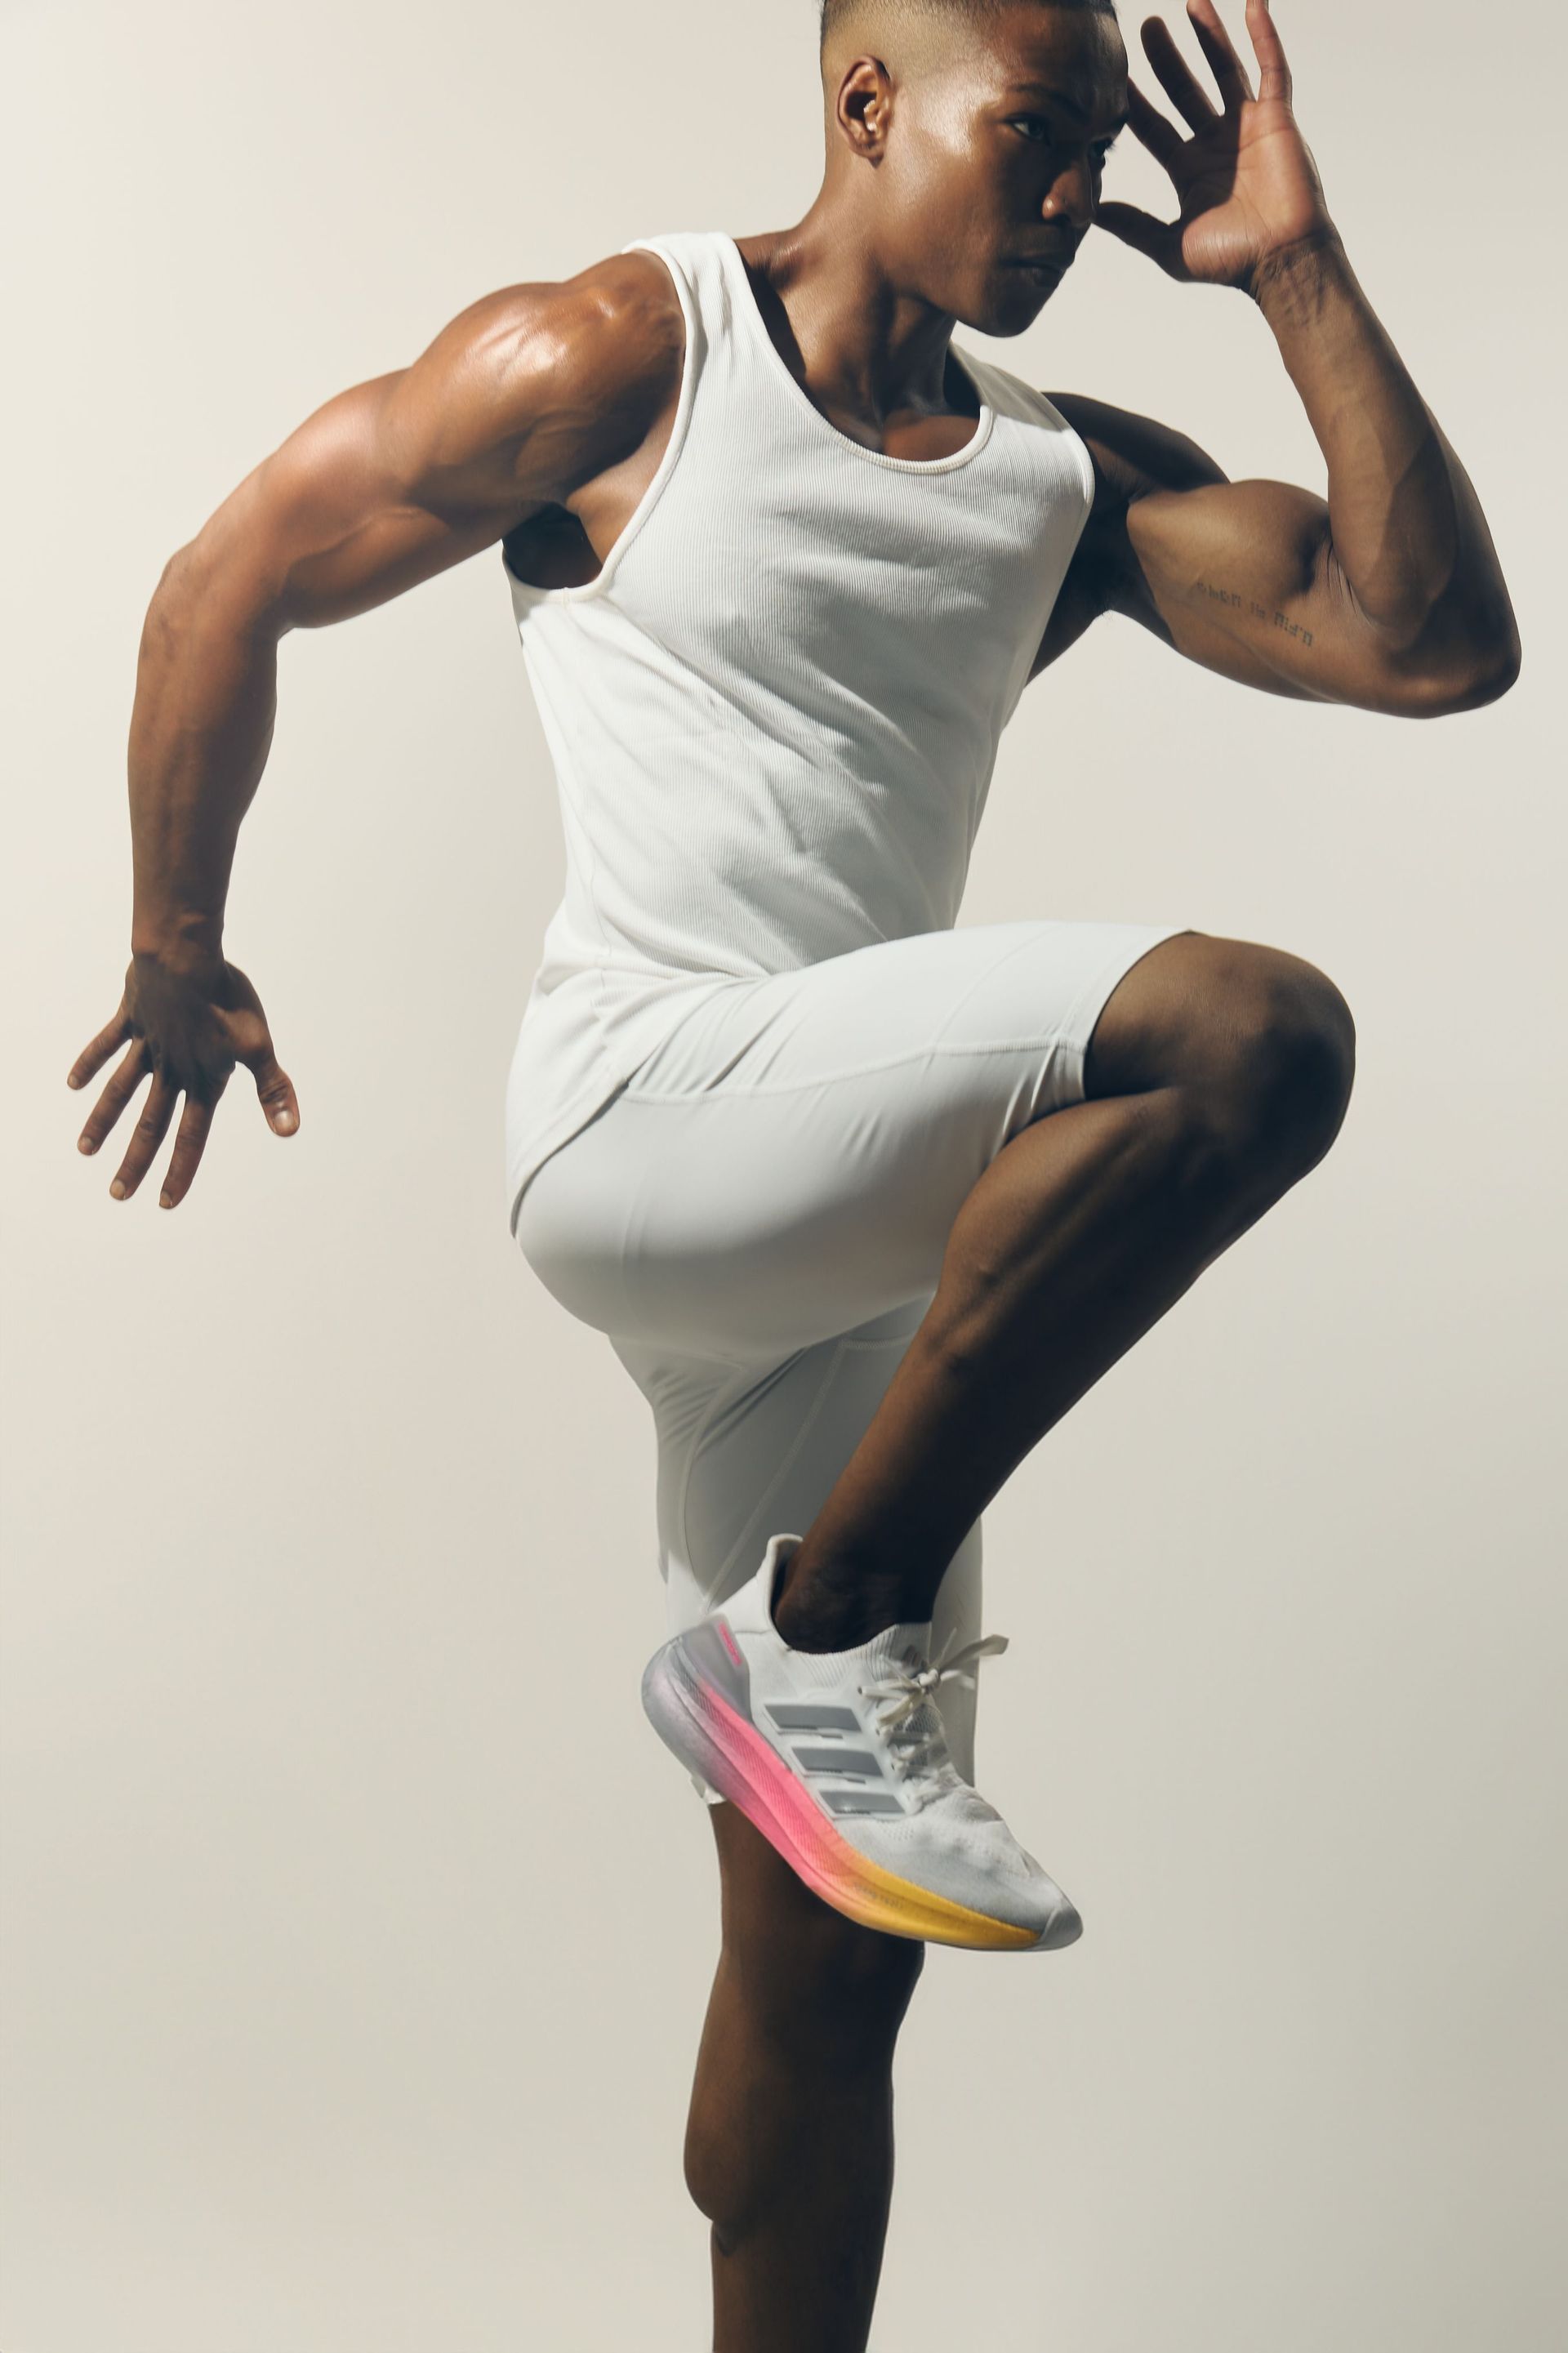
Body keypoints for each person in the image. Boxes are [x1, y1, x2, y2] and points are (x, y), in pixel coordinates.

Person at [66, 0, 1519, 2343]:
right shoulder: (625, 355)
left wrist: (1296, 273)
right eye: (1033, 137)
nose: (1075, 197)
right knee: (1256, 1038)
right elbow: (230, 570)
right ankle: (818, 1637)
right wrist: (173, 947)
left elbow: (1429, 642)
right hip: (644, 1117)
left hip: (862, 1260)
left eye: (1093, 156)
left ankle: (796, 1687)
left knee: (831, 1975)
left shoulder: (1062, 478)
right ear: (866, 106)